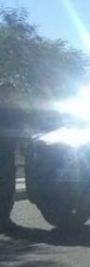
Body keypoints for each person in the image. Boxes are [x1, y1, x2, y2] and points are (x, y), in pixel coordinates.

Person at [0, 80, 23, 233]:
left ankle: (5, 219)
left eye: (11, 92)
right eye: (6, 92)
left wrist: (21, 144)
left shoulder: (15, 110)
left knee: (8, 187)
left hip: (8, 154)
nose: (9, 95)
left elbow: (20, 129)